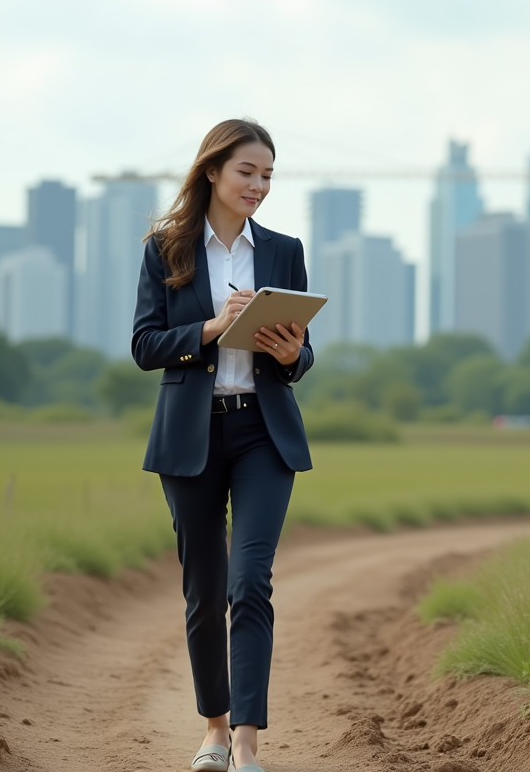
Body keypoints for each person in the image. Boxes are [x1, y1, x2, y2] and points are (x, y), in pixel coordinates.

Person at [132, 118, 313, 772]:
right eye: (247, 172)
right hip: (191, 434)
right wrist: (212, 326)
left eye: (268, 175)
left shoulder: (284, 249)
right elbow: (145, 345)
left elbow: (300, 351)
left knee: (249, 581)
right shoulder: (166, 250)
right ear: (212, 170)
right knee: (204, 589)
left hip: (264, 432)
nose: (259, 185)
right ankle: (212, 727)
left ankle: (245, 744)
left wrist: (295, 353)